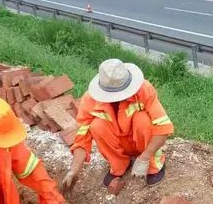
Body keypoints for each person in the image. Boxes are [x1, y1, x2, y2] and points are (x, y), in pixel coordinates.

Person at [61, 59, 174, 192]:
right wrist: (73, 171)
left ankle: (154, 165)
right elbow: (82, 139)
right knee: (96, 125)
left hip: (142, 142)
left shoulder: (144, 89)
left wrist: (145, 157)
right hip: (118, 143)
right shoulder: (90, 100)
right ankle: (119, 165)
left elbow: (163, 127)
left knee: (142, 119)